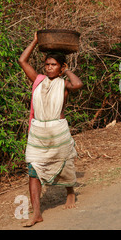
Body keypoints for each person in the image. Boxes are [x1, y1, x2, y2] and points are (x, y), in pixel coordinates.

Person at [18, 32, 83, 227]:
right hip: (38, 131)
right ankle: (37, 212)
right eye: (47, 64)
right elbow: (22, 60)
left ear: (61, 67)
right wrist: (36, 40)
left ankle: (70, 192)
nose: (49, 68)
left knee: (64, 163)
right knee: (33, 170)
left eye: (53, 65)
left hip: (57, 130)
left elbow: (78, 84)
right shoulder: (38, 80)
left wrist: (66, 70)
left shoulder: (63, 83)